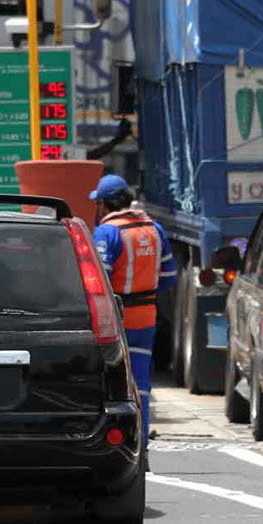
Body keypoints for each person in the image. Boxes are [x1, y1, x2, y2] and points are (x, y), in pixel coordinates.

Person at [88, 173, 174, 425]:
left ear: (104, 204)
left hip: (116, 320)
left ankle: (121, 439)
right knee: (142, 385)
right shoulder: (155, 229)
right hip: (146, 318)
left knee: (112, 384)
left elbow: (99, 280)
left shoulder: (106, 233)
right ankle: (143, 441)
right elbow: (169, 277)